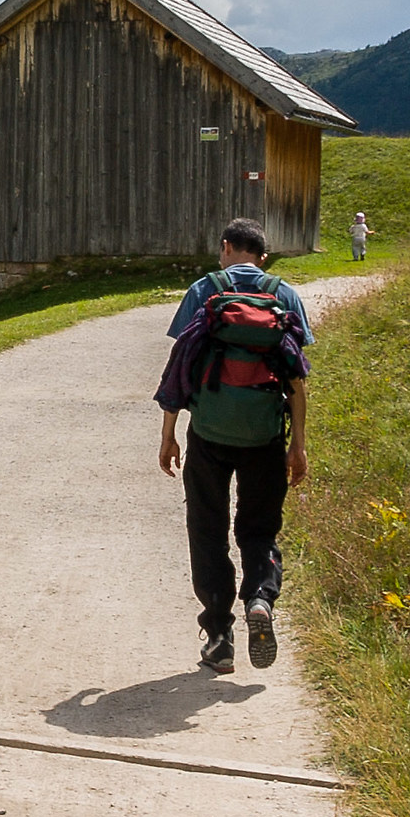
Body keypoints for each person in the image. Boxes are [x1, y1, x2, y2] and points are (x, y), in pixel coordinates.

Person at [158, 218, 311, 675]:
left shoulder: (203, 291)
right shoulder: (284, 296)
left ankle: (219, 637)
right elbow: (297, 381)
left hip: (209, 433)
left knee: (207, 529)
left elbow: (180, 366)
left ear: (225, 247)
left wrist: (168, 434)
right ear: (263, 257)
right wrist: (298, 446)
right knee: (259, 529)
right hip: (265, 435)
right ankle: (260, 600)